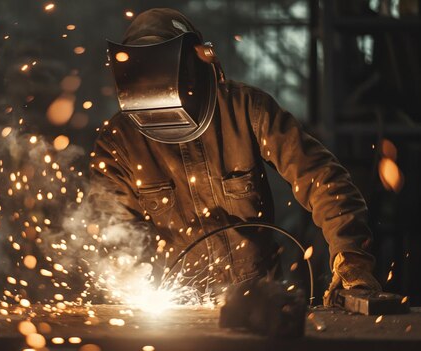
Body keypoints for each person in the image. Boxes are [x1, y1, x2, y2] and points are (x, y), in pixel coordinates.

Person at [88, 8, 381, 304]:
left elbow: (321, 177)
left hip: (258, 300)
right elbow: (113, 227)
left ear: (196, 60)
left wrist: (351, 258)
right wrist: (128, 280)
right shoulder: (120, 142)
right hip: (175, 308)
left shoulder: (246, 110)